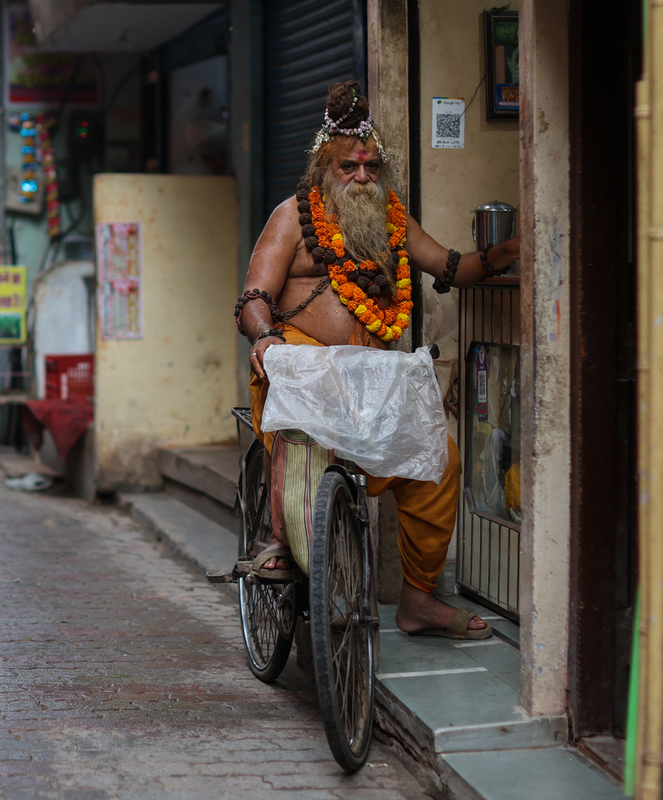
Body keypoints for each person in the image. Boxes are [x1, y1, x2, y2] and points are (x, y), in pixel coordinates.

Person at [237, 82, 518, 640]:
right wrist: (268, 338)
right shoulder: (292, 218)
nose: (362, 177)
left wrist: (502, 256)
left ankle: (418, 601)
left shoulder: (390, 219)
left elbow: (448, 266)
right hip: (307, 374)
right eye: (348, 167)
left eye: (370, 167)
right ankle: (279, 537)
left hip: (376, 387)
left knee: (441, 462)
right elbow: (253, 299)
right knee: (299, 430)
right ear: (324, 167)